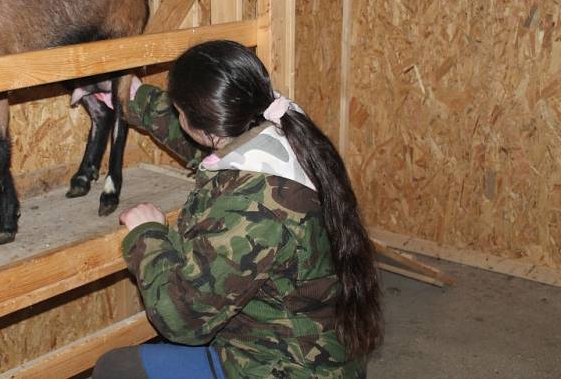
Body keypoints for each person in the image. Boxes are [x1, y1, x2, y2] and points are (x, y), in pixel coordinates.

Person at [92, 40, 383, 378]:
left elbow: (183, 319)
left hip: (286, 366)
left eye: (179, 110)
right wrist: (133, 96)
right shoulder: (281, 127)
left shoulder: (251, 205)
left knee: (118, 367)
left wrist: (148, 233)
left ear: (196, 120)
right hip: (320, 347)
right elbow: (202, 141)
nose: (178, 118)